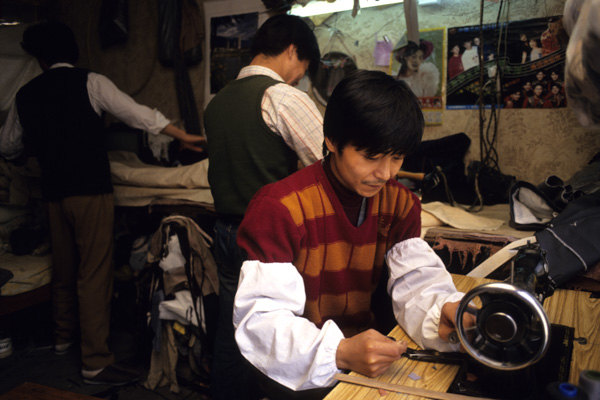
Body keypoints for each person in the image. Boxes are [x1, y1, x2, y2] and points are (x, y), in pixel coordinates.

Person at [233, 70, 470, 398]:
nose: (386, 173)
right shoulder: (279, 208)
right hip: (295, 373)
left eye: (397, 157)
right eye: (371, 157)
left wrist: (444, 307)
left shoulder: (399, 204)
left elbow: (417, 284)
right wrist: (339, 352)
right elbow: (262, 321)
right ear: (332, 140)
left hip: (367, 361)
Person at [0, 21, 205, 385]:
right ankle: (95, 360)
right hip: (90, 190)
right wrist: (181, 134)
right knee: (93, 273)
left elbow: (8, 146)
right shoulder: (90, 81)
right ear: (72, 50)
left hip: (52, 195)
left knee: (63, 269)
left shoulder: (25, 94)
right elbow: (137, 114)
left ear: (42, 59)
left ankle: (63, 340)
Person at [202, 13, 323, 400]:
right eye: (303, 67)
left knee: (232, 328)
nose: (300, 77)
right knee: (278, 331)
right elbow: (329, 164)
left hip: (223, 230)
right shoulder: (281, 96)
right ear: (292, 51)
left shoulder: (217, 102)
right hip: (268, 237)